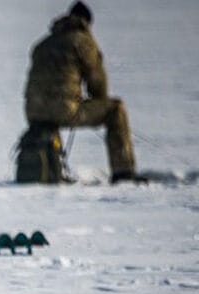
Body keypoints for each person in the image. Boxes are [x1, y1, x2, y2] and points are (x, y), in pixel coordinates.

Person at [24, 1, 143, 184]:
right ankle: (124, 172)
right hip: (64, 110)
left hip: (34, 111)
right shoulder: (83, 42)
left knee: (50, 119)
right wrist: (96, 102)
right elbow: (98, 84)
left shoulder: (43, 44)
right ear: (86, 22)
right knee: (116, 109)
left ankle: (51, 170)